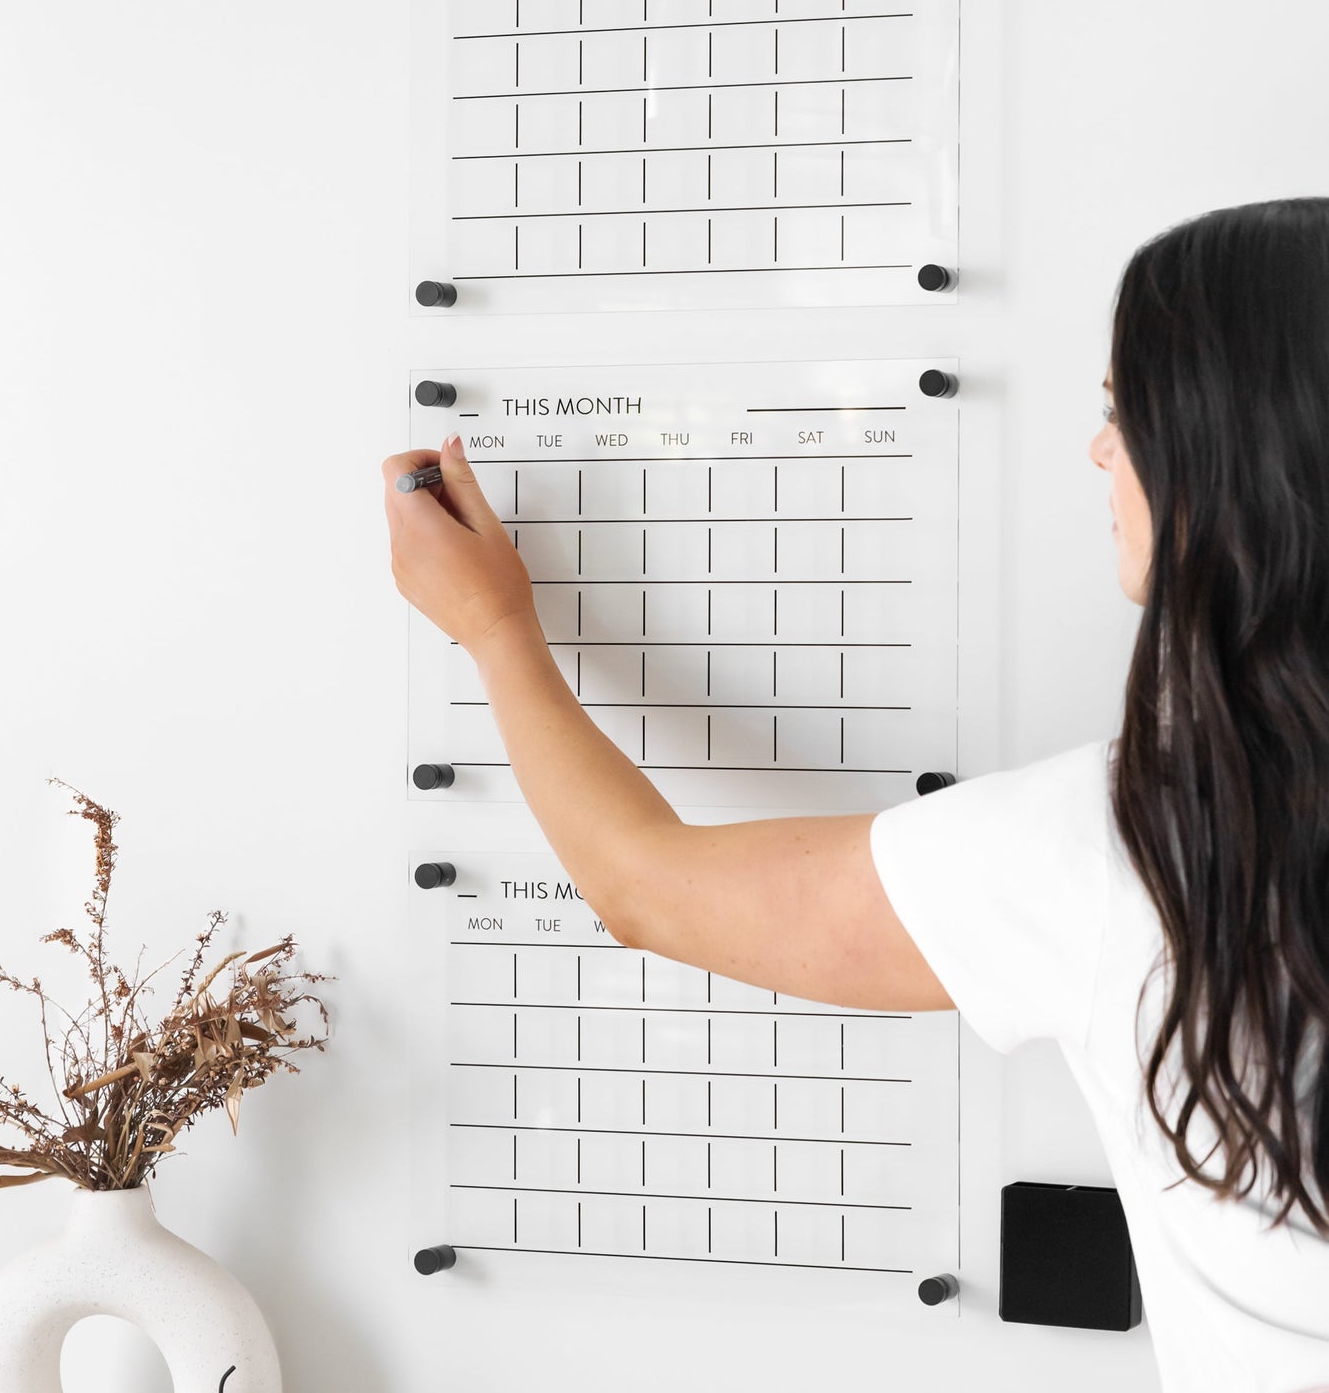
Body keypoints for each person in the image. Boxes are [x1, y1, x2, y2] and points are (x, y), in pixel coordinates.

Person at [382, 196, 1329, 1393]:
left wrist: (493, 627)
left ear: (1227, 451)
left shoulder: (1130, 848)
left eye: (1115, 411)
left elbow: (645, 890)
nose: (1098, 451)